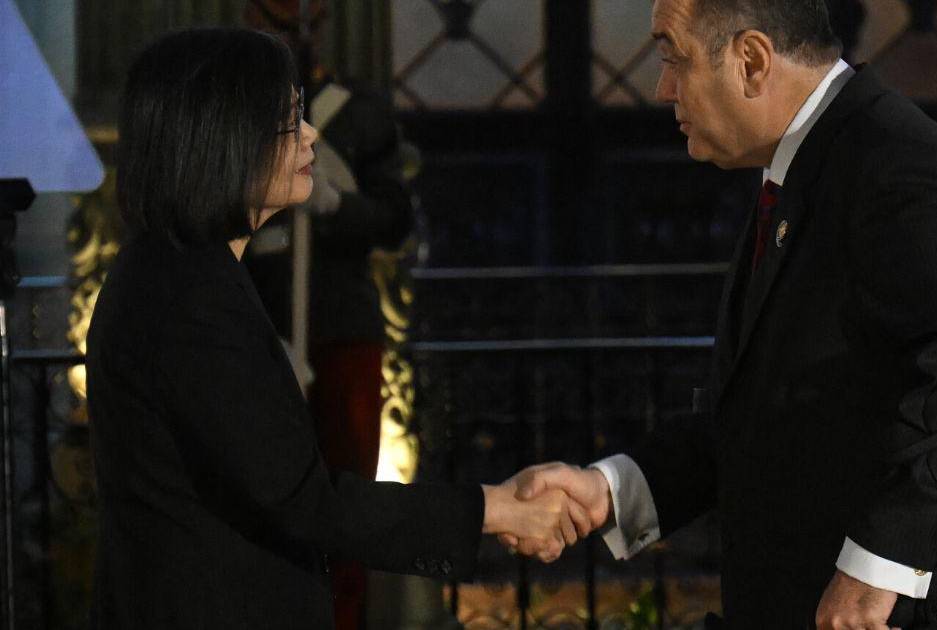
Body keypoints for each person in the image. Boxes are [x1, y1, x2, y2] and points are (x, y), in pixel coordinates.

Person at [506, 0, 937, 627]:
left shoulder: (894, 162)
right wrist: (614, 491)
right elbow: (765, 411)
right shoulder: (811, 164)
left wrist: (875, 572)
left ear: (752, 60)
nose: (663, 88)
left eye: (675, 58)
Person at [86, 28, 586, 630]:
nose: (311, 136)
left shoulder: (185, 272)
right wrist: (494, 509)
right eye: (287, 121)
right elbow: (303, 501)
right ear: (224, 137)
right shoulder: (188, 295)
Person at [240, 3, 420, 627]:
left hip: (341, 327)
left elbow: (395, 219)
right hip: (258, 327)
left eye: (308, 21)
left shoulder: (357, 112)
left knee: (347, 495)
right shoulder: (237, 113)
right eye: (280, 20)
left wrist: (337, 204)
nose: (298, 35)